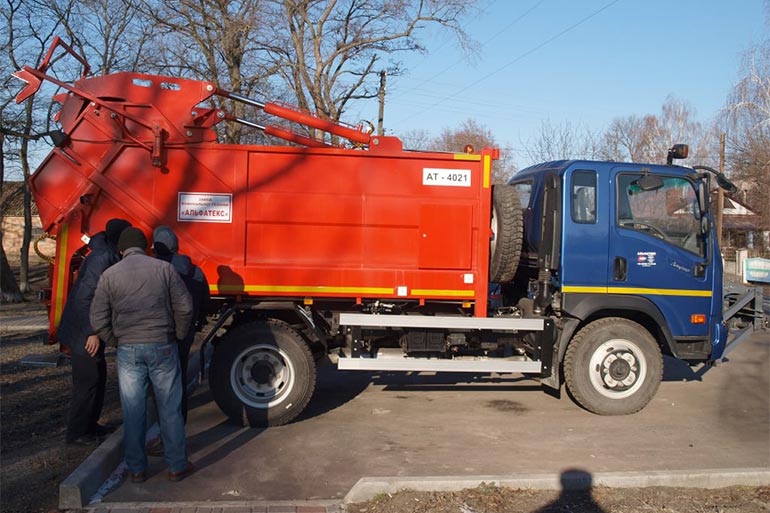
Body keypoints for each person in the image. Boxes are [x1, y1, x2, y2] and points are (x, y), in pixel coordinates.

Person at [90, 227, 195, 483]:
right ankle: (177, 466)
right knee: (169, 408)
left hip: (128, 350)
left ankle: (136, 470)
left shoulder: (109, 275)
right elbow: (186, 307)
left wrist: (116, 340)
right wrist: (178, 334)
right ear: (147, 247)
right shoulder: (164, 269)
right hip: (163, 345)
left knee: (133, 411)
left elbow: (97, 318)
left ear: (121, 249)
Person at [60, 218, 131, 446]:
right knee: (87, 381)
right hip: (83, 330)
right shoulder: (102, 258)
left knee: (97, 377)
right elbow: (85, 298)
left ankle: (90, 425)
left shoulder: (106, 253)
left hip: (87, 329)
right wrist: (92, 332)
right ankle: (77, 433)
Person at [152, 225, 209, 423]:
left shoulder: (153, 270)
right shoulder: (195, 272)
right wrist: (196, 323)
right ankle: (178, 423)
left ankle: (163, 428)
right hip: (185, 333)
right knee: (179, 378)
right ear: (176, 246)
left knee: (159, 383)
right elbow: (204, 303)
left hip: (159, 334)